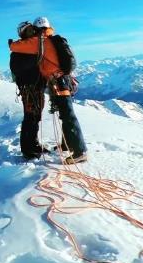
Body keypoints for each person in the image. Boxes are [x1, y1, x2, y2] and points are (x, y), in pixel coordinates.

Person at [8, 17, 88, 164]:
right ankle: (67, 144)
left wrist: (11, 42)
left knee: (67, 114)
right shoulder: (53, 39)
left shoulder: (40, 41)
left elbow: (14, 47)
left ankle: (79, 150)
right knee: (65, 114)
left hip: (56, 82)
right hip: (61, 80)